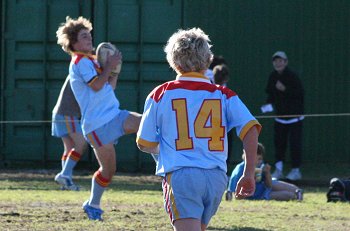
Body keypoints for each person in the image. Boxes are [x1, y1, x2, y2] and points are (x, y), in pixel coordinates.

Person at [136, 28, 261, 231]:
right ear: (208, 60)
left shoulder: (161, 93)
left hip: (182, 175)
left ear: (173, 62)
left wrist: (168, 148)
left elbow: (145, 143)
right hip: (216, 177)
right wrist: (248, 173)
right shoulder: (224, 94)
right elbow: (250, 130)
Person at [56, 16, 142, 221]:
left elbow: (108, 86)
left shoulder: (92, 60)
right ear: (73, 43)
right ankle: (93, 204)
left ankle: (162, 165)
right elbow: (95, 85)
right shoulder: (80, 61)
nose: (89, 39)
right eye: (84, 37)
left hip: (115, 114)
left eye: (89, 35)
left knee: (147, 124)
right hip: (97, 125)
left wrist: (115, 69)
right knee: (108, 170)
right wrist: (109, 65)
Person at [261, 51, 304, 181]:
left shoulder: (292, 76)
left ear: (285, 62)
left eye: (280, 61)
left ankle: (296, 171)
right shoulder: (273, 76)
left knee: (295, 144)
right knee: (279, 144)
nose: (278, 63)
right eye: (275, 61)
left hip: (295, 117)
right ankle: (279, 170)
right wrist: (268, 105)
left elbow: (299, 94)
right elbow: (270, 93)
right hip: (280, 118)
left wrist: (285, 89)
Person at [226, 143, 303, 201]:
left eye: (261, 159)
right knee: (288, 195)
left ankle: (298, 193)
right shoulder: (240, 169)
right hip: (259, 194)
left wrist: (267, 173)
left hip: (264, 187)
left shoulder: (260, 166)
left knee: (294, 188)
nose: (260, 161)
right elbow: (233, 191)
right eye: (258, 159)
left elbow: (269, 185)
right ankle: (296, 196)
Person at [52, 75, 88, 191]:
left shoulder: (83, 67)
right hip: (66, 113)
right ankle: (64, 175)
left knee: (70, 147)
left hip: (62, 112)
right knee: (81, 144)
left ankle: (66, 183)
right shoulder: (84, 67)